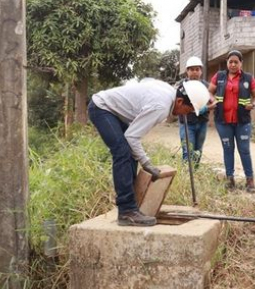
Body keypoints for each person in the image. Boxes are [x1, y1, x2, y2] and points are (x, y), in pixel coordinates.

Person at [88, 79, 210, 226]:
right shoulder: (161, 106)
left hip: (111, 110)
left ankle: (132, 204)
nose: (186, 114)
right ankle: (127, 211)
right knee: (122, 152)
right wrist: (146, 163)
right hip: (102, 108)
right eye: (189, 110)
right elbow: (132, 137)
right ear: (179, 101)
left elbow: (146, 82)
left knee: (130, 152)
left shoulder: (168, 92)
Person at [208, 50, 255, 193]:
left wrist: (254, 104)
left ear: (241, 63)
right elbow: (209, 92)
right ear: (227, 62)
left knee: (244, 150)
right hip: (223, 120)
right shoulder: (219, 76)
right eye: (230, 62)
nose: (232, 64)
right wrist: (213, 101)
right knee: (228, 149)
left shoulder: (248, 78)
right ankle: (230, 180)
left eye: (235, 62)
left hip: (242, 121)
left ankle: (250, 181)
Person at [178, 56, 212, 167]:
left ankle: (195, 173)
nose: (194, 72)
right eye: (191, 69)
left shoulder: (207, 86)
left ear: (201, 71)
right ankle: (186, 176)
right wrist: (198, 109)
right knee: (188, 151)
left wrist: (208, 107)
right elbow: (179, 105)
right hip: (187, 124)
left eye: (197, 69)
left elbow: (213, 102)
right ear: (187, 71)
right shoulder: (182, 87)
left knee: (198, 151)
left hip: (202, 123)